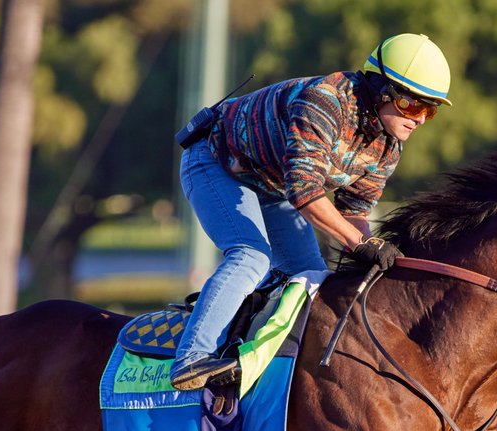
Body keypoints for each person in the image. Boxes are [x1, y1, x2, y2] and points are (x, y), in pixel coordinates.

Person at [169, 33, 453, 391]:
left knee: (310, 275)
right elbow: (304, 191)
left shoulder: (388, 146)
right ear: (382, 90)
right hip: (214, 162)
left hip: (270, 185)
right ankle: (192, 357)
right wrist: (360, 243)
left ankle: (258, 345)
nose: (421, 119)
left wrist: (368, 251)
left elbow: (353, 212)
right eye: (413, 106)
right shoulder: (326, 101)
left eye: (430, 110)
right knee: (251, 256)